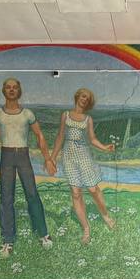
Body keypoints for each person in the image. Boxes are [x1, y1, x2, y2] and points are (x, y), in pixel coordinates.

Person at [0, 78, 56, 256]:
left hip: (23, 155)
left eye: (15, 87)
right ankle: (7, 240)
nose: (11, 90)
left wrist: (48, 159)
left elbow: (40, 135)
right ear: (4, 91)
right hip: (7, 156)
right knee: (6, 198)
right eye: (8, 87)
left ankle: (43, 234)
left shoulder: (27, 114)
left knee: (32, 194)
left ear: (19, 91)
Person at [48, 87, 116, 244]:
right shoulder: (65, 115)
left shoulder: (88, 119)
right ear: (77, 97)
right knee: (76, 193)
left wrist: (104, 147)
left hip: (83, 155)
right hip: (68, 156)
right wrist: (52, 158)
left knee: (93, 189)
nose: (85, 99)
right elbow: (60, 137)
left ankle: (105, 216)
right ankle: (86, 228)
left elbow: (92, 139)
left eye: (88, 98)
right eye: (83, 96)